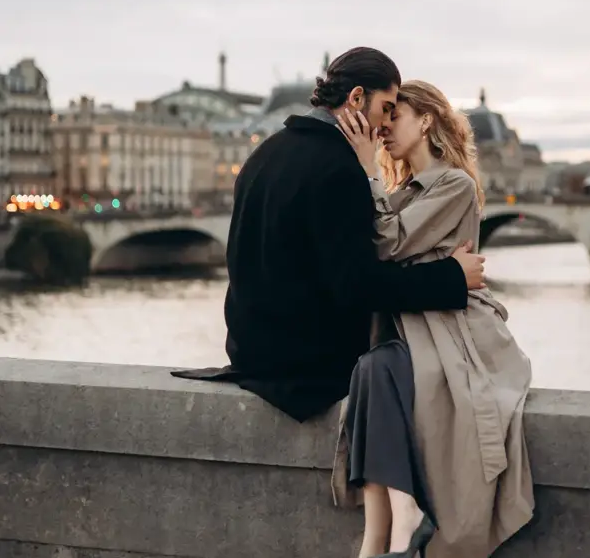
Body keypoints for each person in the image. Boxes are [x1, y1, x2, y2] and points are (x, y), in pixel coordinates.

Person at [315, 80, 533, 558]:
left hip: (450, 334)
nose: (383, 129)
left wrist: (366, 170)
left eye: (394, 117)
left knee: (375, 368)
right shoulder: (406, 191)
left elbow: (385, 244)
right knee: (371, 368)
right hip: (412, 330)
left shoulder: (454, 184)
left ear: (428, 123)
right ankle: (397, 525)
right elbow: (378, 247)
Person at [172, 48, 487, 422]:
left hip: (249, 356)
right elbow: (357, 287)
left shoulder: (264, 154)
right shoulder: (339, 167)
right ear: (356, 98)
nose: (385, 124)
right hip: (308, 371)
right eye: (386, 107)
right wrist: (451, 277)